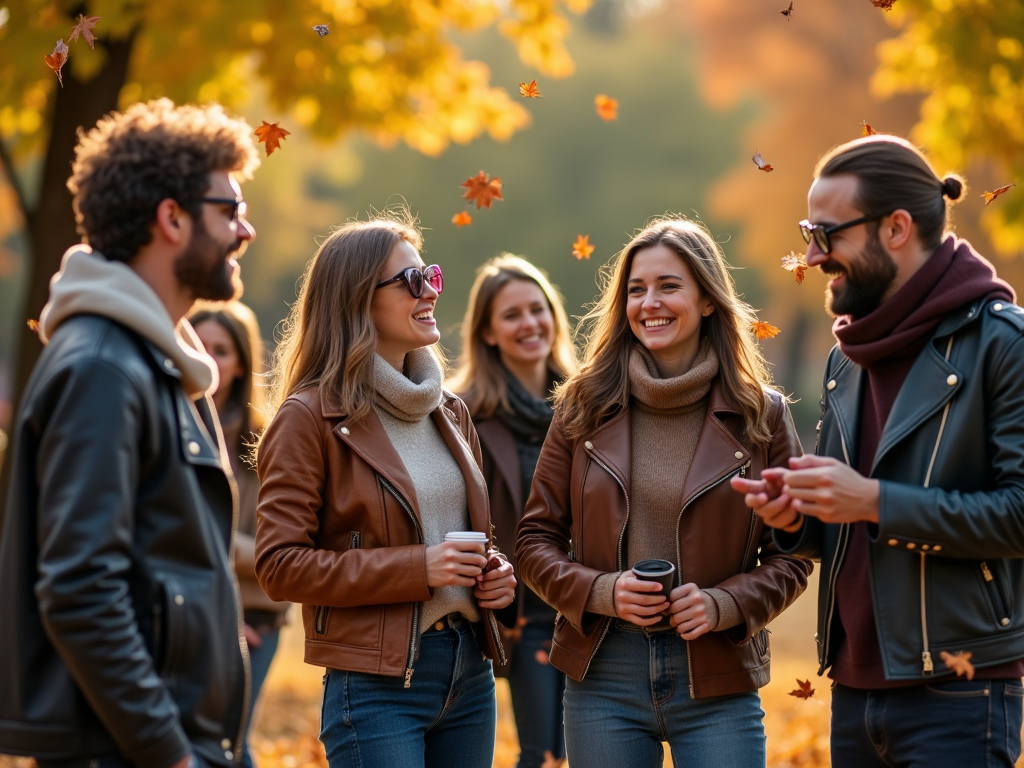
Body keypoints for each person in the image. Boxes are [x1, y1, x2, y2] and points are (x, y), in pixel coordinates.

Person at [732, 134, 1024, 768]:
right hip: (855, 691)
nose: (811, 255)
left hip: (961, 691)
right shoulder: (846, 358)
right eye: (808, 231)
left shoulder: (1002, 345)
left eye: (827, 234)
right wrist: (795, 519)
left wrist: (873, 501)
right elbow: (845, 519)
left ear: (896, 228)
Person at [0, 99, 259, 768]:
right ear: (171, 218)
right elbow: (81, 588)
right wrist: (166, 752)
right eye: (229, 211)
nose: (246, 230)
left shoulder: (160, 363)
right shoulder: (103, 367)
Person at [515, 218, 813, 768]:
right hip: (604, 670)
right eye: (636, 289)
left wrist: (724, 605)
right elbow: (534, 540)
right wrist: (604, 591)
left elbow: (793, 553)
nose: (649, 302)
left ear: (706, 300)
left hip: (718, 674)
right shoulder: (582, 407)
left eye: (668, 286)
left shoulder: (761, 414)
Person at [253, 212, 518, 768]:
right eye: (411, 281)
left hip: (469, 673)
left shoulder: (450, 411)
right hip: (376, 685)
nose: (431, 293)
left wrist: (491, 575)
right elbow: (279, 565)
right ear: (356, 300)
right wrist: (420, 569)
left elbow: (458, 539)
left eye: (432, 276)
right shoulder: (308, 419)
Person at [447, 255, 578, 768]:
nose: (530, 323)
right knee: (543, 753)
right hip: (525, 614)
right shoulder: (462, 414)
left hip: (590, 605)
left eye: (537, 308)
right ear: (488, 332)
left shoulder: (590, 403)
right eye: (512, 315)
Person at [189, 301, 289, 768]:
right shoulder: (170, 427)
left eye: (222, 350)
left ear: (243, 362)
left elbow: (279, 549)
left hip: (256, 613)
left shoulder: (266, 442)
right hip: (187, 608)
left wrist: (200, 542)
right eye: (199, 346)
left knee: (232, 737)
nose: (209, 359)